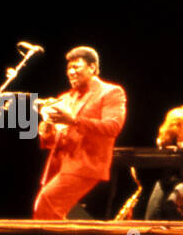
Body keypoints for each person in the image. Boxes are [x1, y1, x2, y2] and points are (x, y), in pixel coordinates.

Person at [33, 46, 127, 220]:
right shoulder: (66, 97)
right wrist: (47, 133)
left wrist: (74, 120)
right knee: (48, 210)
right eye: (69, 68)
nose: (71, 72)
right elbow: (61, 136)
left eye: (76, 67)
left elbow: (113, 127)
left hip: (85, 163)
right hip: (58, 165)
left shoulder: (111, 92)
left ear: (92, 67)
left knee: (46, 205)